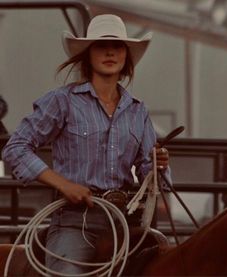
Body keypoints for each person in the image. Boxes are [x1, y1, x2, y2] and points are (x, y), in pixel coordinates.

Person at [2, 14, 170, 274]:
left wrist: (159, 168)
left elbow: (153, 178)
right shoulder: (62, 101)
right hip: (74, 221)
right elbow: (16, 148)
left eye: (117, 46)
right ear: (88, 54)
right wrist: (64, 185)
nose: (110, 52)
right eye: (101, 46)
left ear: (126, 56)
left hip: (125, 222)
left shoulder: (138, 111)